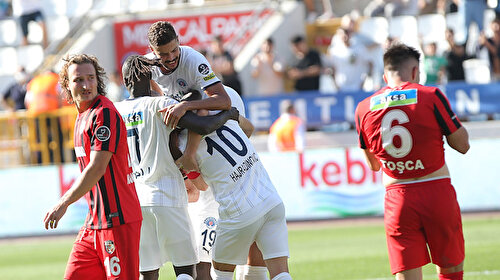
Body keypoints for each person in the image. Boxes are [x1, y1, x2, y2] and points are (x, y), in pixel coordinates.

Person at [115, 55, 239, 280]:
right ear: (151, 77)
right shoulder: (159, 105)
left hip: (136, 200)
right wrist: (228, 114)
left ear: (125, 81)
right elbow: (201, 120)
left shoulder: (114, 112)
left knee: (147, 272)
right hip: (167, 196)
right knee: (185, 270)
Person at [355, 43, 469, 280]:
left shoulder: (364, 108)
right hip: (436, 190)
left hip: (398, 198)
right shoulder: (431, 96)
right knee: (451, 272)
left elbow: (374, 165)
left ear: (385, 75)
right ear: (416, 71)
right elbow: (462, 145)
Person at [43, 54, 142, 279]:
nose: (86, 85)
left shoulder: (104, 114)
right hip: (94, 222)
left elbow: (97, 168)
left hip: (117, 220)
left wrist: (63, 202)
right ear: (67, 84)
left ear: (98, 80)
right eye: (79, 80)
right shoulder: (82, 116)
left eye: (91, 78)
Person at [173, 93, 292, 280]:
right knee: (281, 273)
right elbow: (250, 128)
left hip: (238, 211)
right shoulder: (225, 120)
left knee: (219, 272)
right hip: (271, 200)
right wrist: (229, 114)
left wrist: (193, 170)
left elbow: (202, 187)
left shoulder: (181, 145)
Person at [146, 20, 232, 183]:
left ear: (178, 40)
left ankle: (189, 156)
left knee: (237, 121)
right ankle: (189, 174)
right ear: (152, 50)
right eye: (163, 54)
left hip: (203, 105)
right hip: (180, 108)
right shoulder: (147, 65)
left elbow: (224, 101)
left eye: (174, 50)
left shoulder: (193, 59)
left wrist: (185, 105)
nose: (171, 58)